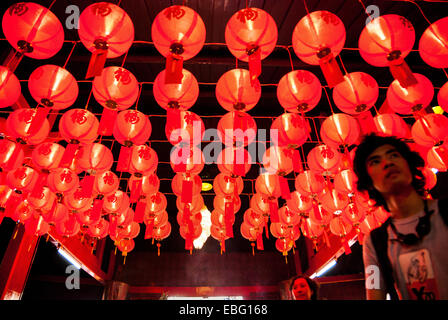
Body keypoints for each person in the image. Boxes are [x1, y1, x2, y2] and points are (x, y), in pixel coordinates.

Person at [353, 134, 448, 300]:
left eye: (394, 155)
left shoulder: (445, 213)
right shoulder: (374, 242)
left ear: (409, 164)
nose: (388, 163)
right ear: (368, 182)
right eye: (375, 161)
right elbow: (374, 291)